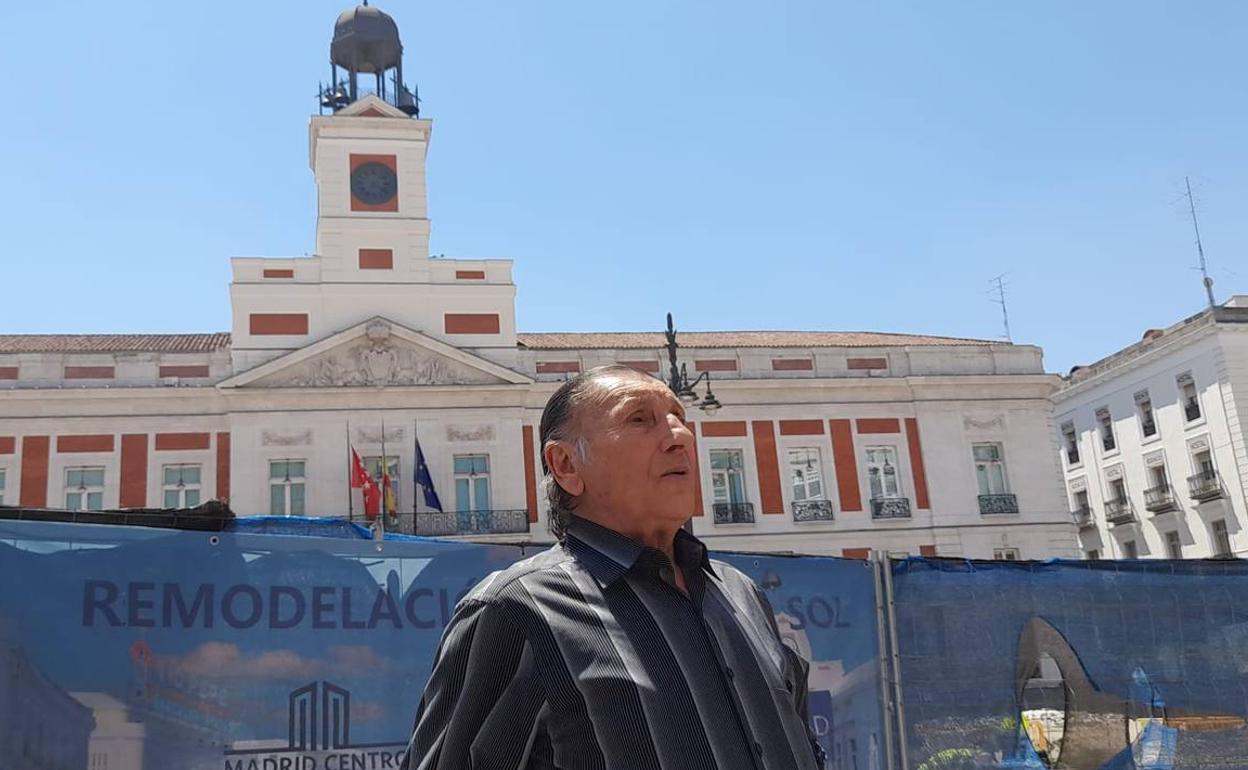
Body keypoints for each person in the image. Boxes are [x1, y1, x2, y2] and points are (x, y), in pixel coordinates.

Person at [403, 365, 825, 769]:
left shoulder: (740, 593)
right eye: (640, 419)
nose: (678, 436)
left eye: (679, 416)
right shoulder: (516, 609)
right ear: (566, 465)